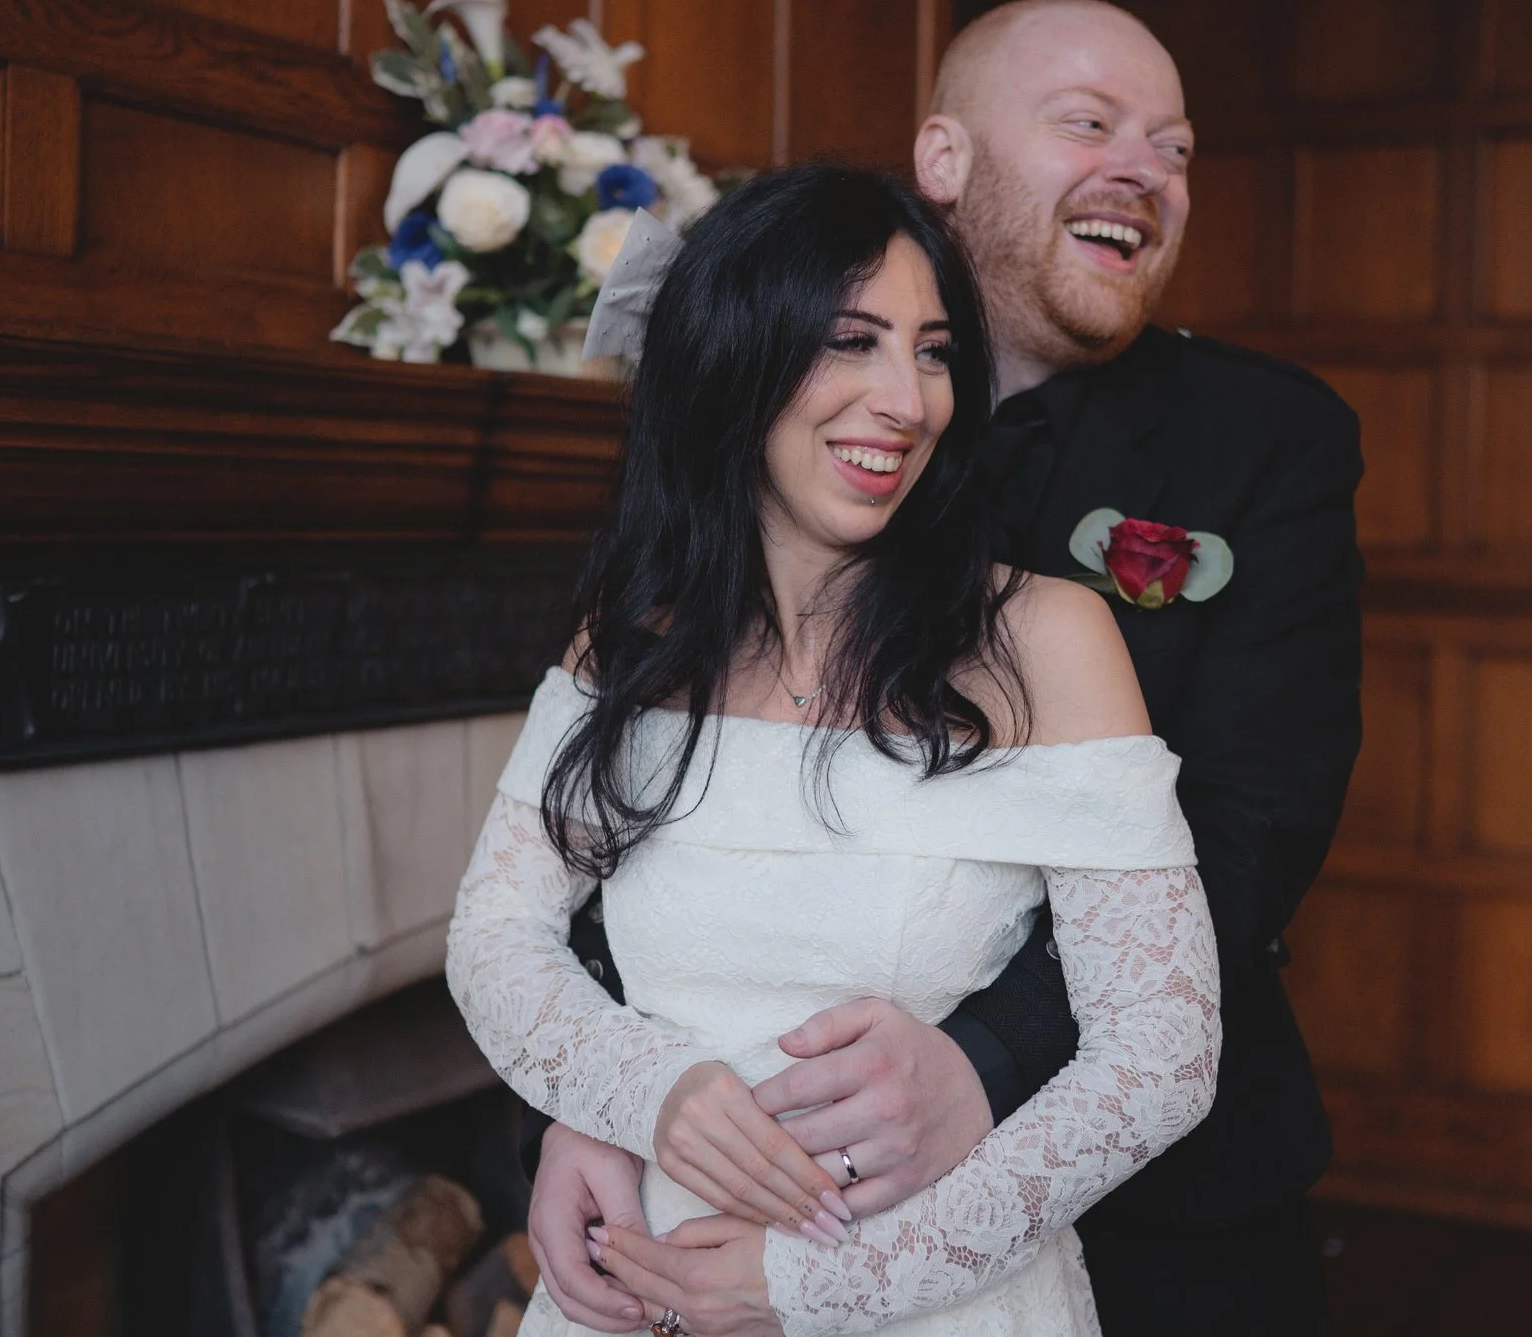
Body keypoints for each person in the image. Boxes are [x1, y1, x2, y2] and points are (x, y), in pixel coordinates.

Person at [528, 0, 1363, 1333]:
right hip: (768, 1178)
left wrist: (985, 1059)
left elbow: (1252, 818)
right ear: (945, 158)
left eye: (1176, 146)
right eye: (1090, 123)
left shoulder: (1269, 440)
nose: (1144, 168)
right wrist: (602, 1097)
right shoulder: (776, 415)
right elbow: (652, 781)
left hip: (1165, 1208)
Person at [447, 163, 1224, 1336]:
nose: (905, 399)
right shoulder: (636, 635)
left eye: (931, 349)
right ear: (735, 358)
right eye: (850, 340)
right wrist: (630, 1098)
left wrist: (824, 1286)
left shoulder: (1043, 638)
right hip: (638, 1289)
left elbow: (1162, 1052)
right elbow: (496, 935)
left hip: (931, 1300)